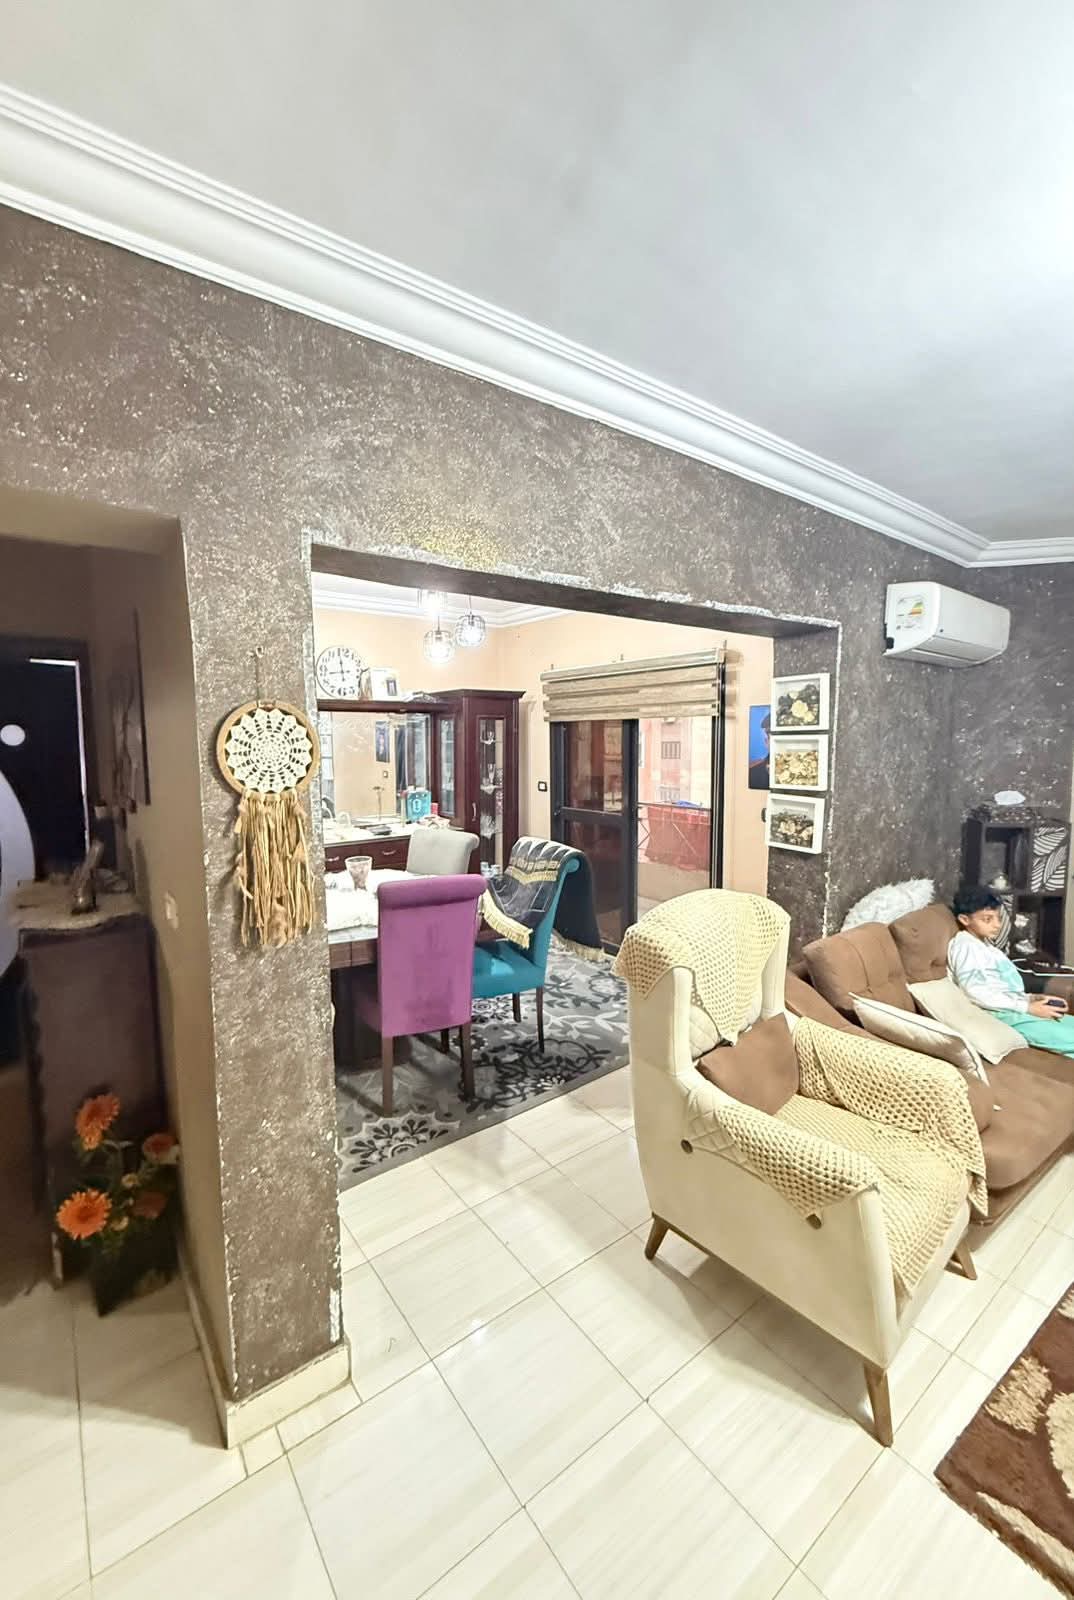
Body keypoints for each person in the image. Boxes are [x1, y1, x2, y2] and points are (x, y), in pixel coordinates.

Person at [948, 885, 1074, 1058]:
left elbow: (999, 987)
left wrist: (1031, 998)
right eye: (987, 919)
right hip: (1001, 1015)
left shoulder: (986, 947)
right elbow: (976, 992)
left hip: (1015, 1008)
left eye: (998, 918)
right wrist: (1027, 1007)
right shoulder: (966, 946)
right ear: (964, 919)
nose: (997, 925)